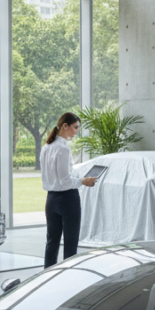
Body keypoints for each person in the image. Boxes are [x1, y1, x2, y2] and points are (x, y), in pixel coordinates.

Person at [41, 112, 97, 268]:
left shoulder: (46, 147)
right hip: (67, 200)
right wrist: (83, 181)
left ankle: (47, 276)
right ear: (65, 126)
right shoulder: (63, 149)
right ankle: (69, 278)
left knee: (52, 242)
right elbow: (65, 181)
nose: (76, 131)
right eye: (75, 127)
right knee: (70, 244)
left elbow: (53, 177)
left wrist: (77, 177)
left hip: (51, 200)